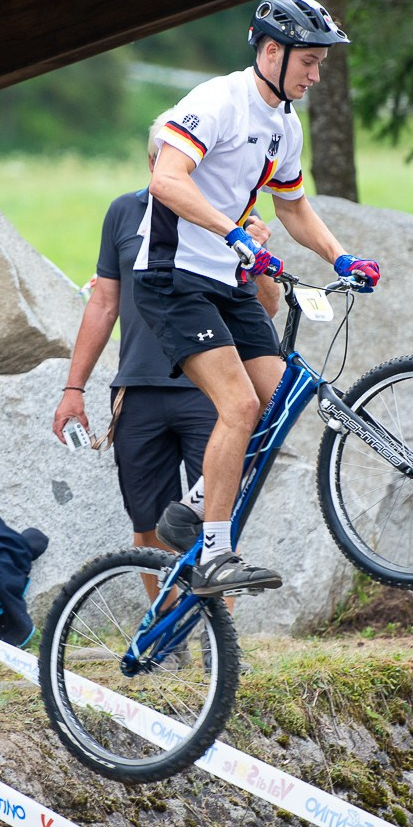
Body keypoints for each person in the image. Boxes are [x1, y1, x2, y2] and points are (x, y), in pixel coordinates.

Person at [131, 0, 382, 596]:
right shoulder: (218, 102)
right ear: (273, 51)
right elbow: (164, 179)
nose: (317, 76)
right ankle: (216, 553)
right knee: (238, 406)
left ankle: (191, 507)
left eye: (321, 64)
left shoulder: (284, 126)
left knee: (274, 408)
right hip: (172, 276)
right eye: (310, 63)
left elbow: (292, 206)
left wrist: (341, 256)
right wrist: (236, 233)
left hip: (226, 277)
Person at [50, 131, 280, 560]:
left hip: (208, 392)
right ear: (153, 166)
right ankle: (163, 624)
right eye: (166, 162)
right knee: (148, 528)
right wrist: (73, 389)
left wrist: (259, 257)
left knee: (215, 519)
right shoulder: (124, 211)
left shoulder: (233, 217)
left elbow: (266, 309)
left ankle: (216, 626)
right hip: (138, 389)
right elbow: (103, 303)